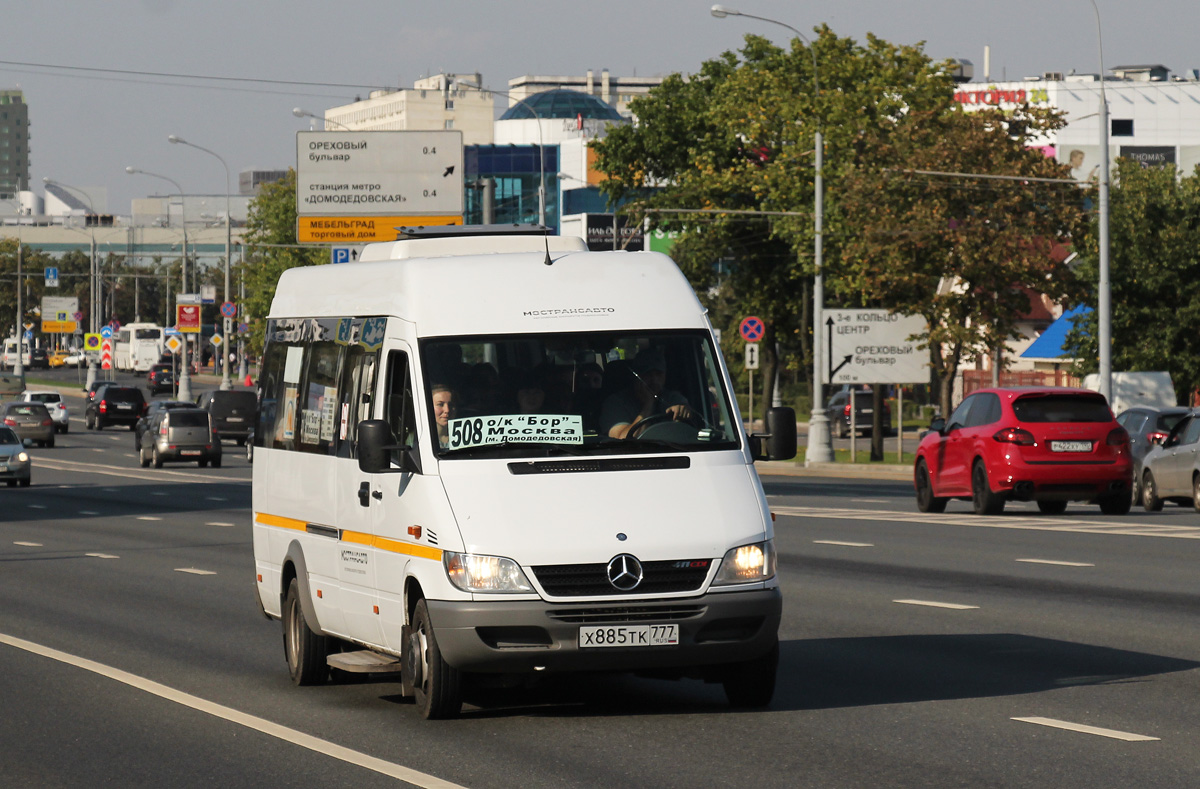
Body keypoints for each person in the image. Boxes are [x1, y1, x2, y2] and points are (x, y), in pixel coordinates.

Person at [599, 347, 692, 439]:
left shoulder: (673, 399)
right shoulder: (615, 404)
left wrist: (683, 413)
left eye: (659, 374)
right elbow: (623, 440)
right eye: (648, 374)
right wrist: (648, 405)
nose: (654, 380)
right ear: (636, 376)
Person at [430, 383, 455, 449]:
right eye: (440, 404)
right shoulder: (416, 439)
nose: (447, 410)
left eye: (451, 405)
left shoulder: (465, 438)